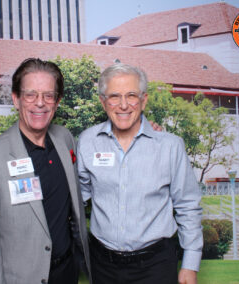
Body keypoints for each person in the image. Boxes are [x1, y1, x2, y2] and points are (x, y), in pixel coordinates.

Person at [0, 58, 91, 284]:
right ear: (16, 99)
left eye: (48, 95)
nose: (39, 103)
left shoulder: (65, 140)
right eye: (31, 94)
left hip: (67, 273)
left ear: (57, 101)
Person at [77, 63, 203, 284]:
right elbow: (79, 194)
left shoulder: (170, 146)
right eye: (114, 96)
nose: (123, 105)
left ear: (143, 100)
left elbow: (188, 205)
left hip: (156, 266)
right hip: (102, 265)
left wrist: (190, 264)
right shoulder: (88, 141)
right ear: (103, 102)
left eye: (131, 96)